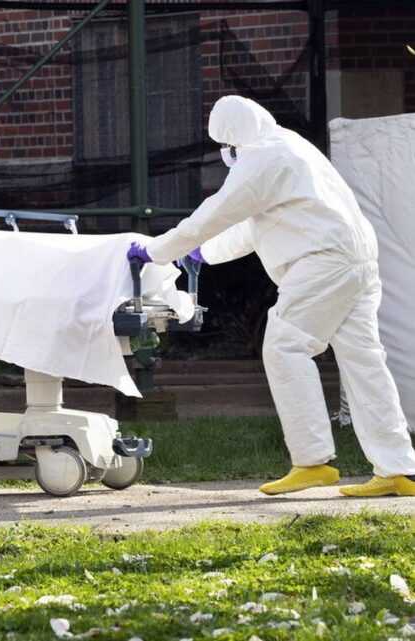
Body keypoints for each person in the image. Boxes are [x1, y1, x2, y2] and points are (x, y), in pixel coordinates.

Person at [128, 95, 415, 497]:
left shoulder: (261, 158)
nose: (226, 154)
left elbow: (213, 214)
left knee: (284, 346)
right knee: (364, 361)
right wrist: (204, 252)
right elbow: (255, 226)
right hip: (357, 260)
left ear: (232, 139)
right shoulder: (292, 146)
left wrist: (157, 250)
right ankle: (398, 469)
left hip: (321, 262)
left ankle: (312, 461)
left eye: (225, 146)